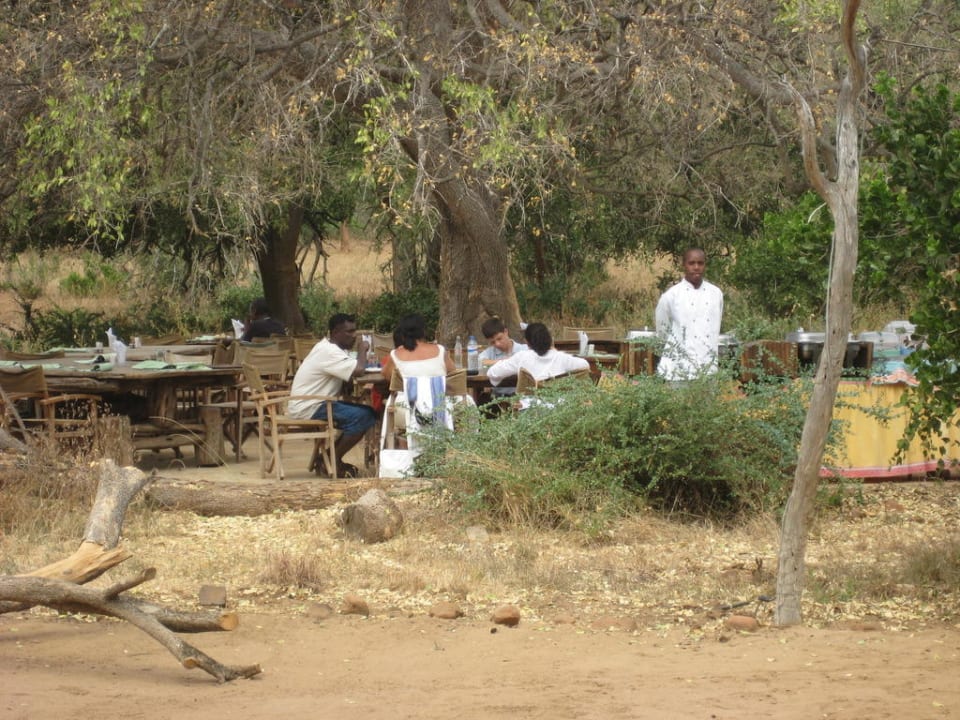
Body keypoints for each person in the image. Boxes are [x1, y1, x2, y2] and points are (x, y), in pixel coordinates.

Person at [288, 313, 376, 478]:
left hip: (315, 404)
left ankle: (328, 457)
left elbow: (348, 375)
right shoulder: (329, 351)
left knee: (367, 413)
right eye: (349, 332)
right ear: (335, 332)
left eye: (354, 331)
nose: (354, 335)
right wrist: (362, 349)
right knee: (363, 416)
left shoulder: (328, 347)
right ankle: (331, 459)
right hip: (310, 407)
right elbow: (358, 370)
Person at [654, 247, 724, 381]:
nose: (696, 267)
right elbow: (662, 330)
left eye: (700, 263)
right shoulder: (671, 296)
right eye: (691, 263)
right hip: (678, 370)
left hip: (708, 368)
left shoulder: (716, 294)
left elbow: (716, 325)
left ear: (705, 265)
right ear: (684, 265)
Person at [486, 322, 589, 387]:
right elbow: (585, 365)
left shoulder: (522, 357)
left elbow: (492, 373)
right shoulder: (562, 358)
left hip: (528, 413)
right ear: (550, 340)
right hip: (557, 411)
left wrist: (507, 363)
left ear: (528, 343)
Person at [478, 316, 528, 398]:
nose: (497, 344)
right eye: (493, 342)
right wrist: (504, 362)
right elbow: (480, 361)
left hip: (521, 397)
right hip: (498, 397)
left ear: (506, 332)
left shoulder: (523, 349)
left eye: (499, 339)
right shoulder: (490, 352)